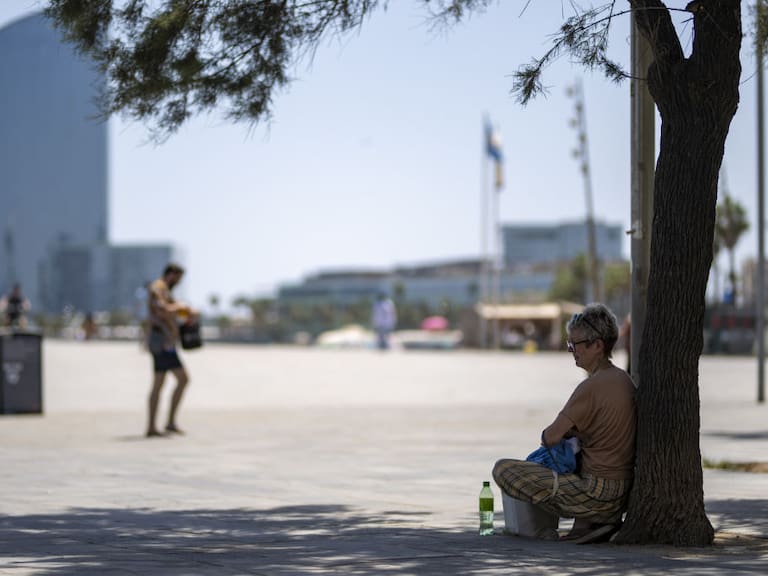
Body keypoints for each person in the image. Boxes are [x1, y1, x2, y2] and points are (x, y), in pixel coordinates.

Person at [493, 303, 636, 544]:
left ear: (598, 345)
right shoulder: (623, 380)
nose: (572, 351)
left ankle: (591, 518)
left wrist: (568, 432)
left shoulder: (591, 387)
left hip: (598, 492)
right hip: (622, 491)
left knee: (503, 470)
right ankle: (587, 525)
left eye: (575, 345)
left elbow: (550, 437)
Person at [145, 263, 198, 437]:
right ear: (172, 274)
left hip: (165, 342)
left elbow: (174, 310)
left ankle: (160, 424)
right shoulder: (158, 287)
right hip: (162, 342)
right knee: (181, 379)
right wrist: (182, 308)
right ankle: (161, 424)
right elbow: (161, 309)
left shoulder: (166, 290)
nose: (179, 282)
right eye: (179, 278)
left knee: (160, 383)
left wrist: (187, 313)